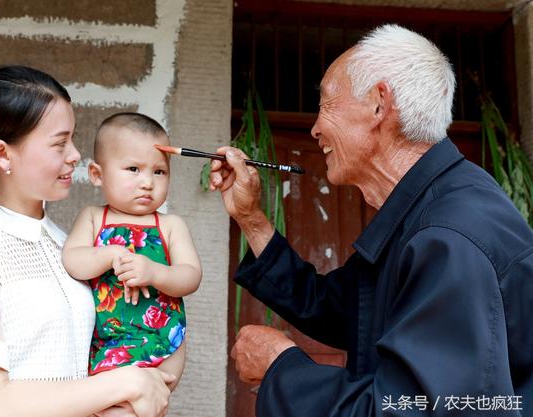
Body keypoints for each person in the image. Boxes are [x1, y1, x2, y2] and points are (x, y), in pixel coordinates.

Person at [209, 24, 533, 416]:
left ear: (380, 104)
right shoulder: (431, 206)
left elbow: (418, 410)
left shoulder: (449, 236)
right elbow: (341, 310)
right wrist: (251, 218)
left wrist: (282, 369)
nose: (315, 128)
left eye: (326, 104)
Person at [0, 66, 175, 417]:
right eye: (60, 143)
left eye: (72, 139)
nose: (75, 154)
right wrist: (127, 383)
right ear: (2, 154)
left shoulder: (70, 246)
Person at [61, 113, 201, 395]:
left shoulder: (170, 225)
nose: (147, 182)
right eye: (133, 169)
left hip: (160, 339)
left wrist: (155, 272)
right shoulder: (92, 218)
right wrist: (109, 254)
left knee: (144, 401)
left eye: (159, 171)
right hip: (105, 342)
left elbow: (191, 276)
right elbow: (72, 260)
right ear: (97, 175)